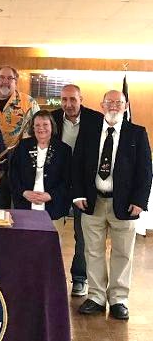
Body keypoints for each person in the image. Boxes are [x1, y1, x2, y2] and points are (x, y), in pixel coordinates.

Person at [73, 90, 152, 320]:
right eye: (110, 102)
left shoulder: (137, 133)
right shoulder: (88, 131)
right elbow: (77, 164)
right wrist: (77, 194)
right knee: (93, 251)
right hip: (93, 201)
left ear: (126, 106)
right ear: (101, 105)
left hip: (125, 205)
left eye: (119, 102)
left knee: (123, 253)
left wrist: (139, 201)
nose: (114, 106)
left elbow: (145, 171)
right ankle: (96, 297)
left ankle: (119, 299)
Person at [51, 84, 103, 297]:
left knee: (83, 236)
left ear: (81, 98)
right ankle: (52, 278)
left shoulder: (95, 119)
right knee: (51, 233)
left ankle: (80, 278)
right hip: (56, 185)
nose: (68, 104)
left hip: (84, 185)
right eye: (64, 99)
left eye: (73, 99)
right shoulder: (52, 118)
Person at [10, 110, 72, 236]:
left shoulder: (64, 150)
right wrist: (24, 192)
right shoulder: (22, 146)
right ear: (33, 127)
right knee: (26, 247)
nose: (41, 128)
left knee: (51, 248)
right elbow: (13, 175)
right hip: (25, 207)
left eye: (45, 124)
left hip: (53, 208)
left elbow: (68, 180)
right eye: (37, 125)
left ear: (52, 126)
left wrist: (51, 195)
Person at [0, 65, 40, 208]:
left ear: (16, 81)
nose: (6, 81)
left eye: (10, 78)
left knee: (21, 203)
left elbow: (39, 133)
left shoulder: (29, 103)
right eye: (1, 78)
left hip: (22, 160)